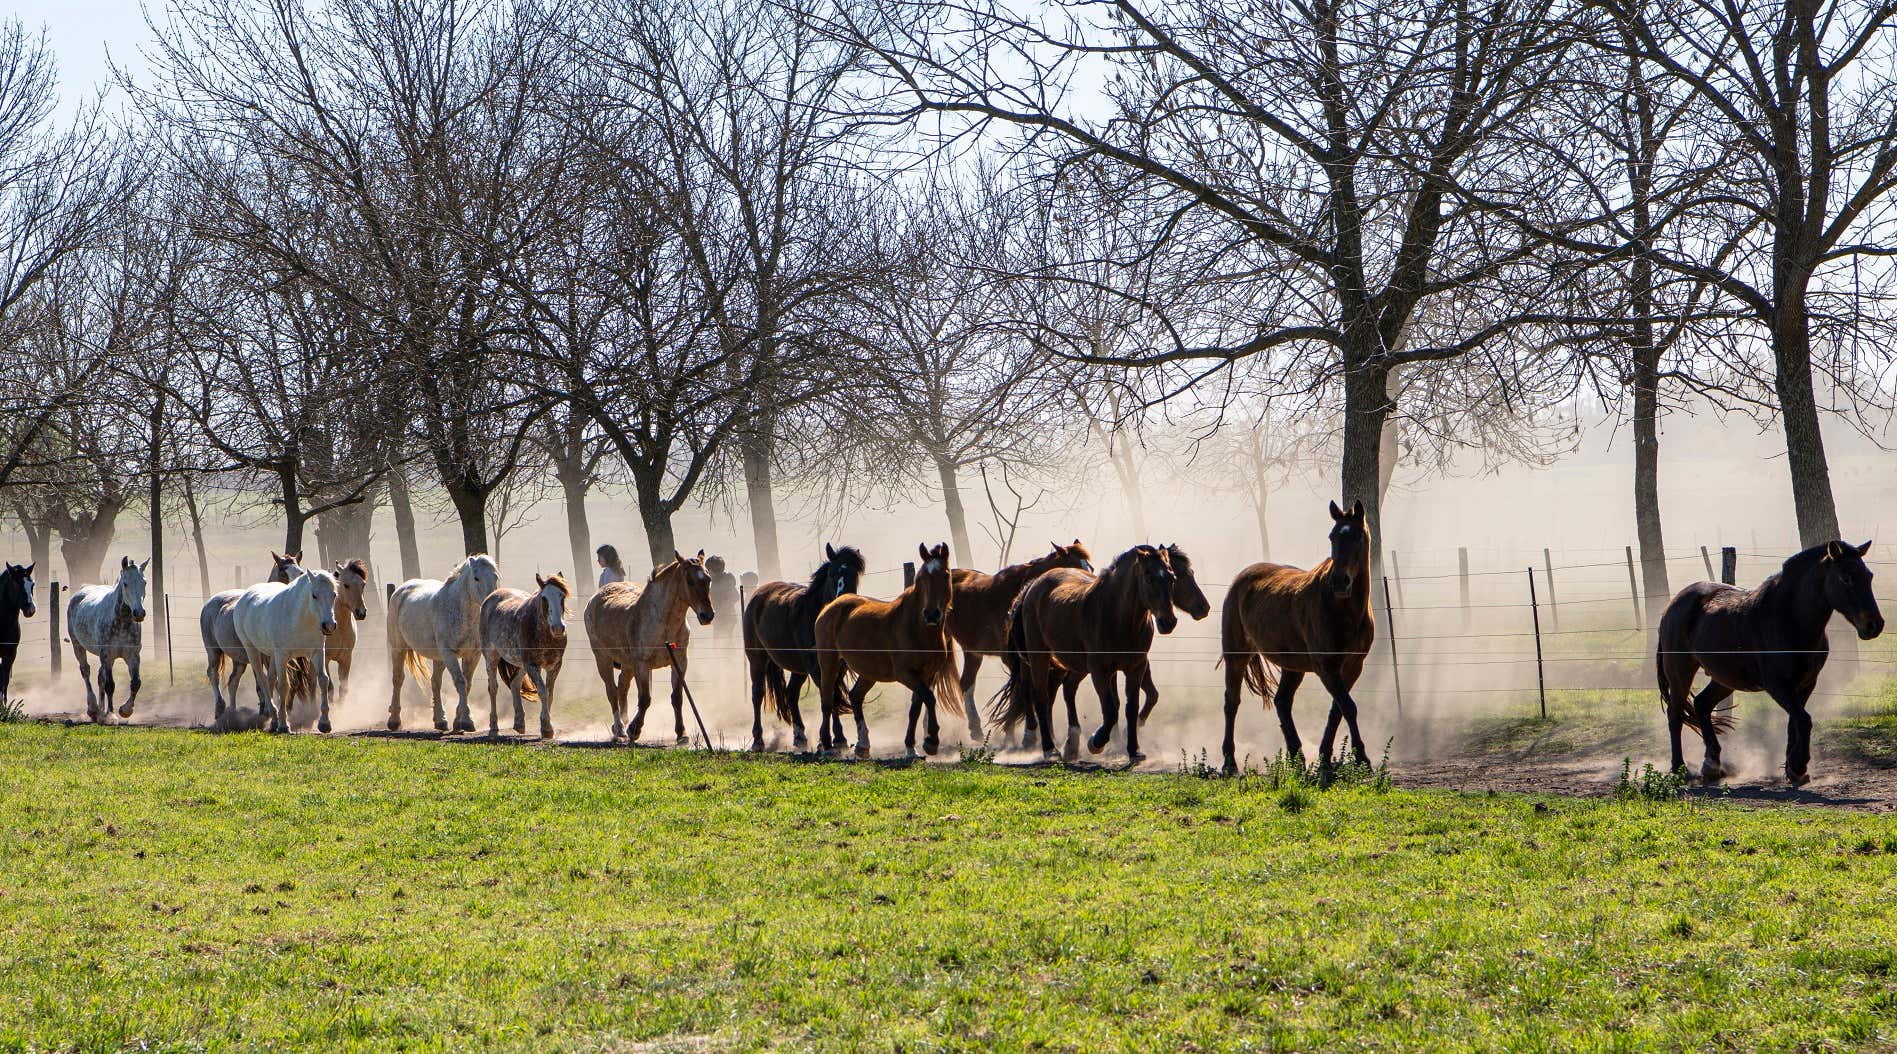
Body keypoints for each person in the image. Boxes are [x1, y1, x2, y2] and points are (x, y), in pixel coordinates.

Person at [706, 555, 740, 636]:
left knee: (723, 638)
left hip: (726, 617)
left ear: (714, 570)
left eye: (709, 570)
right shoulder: (716, 582)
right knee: (722, 639)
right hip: (720, 617)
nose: (707, 573)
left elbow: (736, 596)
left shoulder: (725, 581)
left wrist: (723, 606)